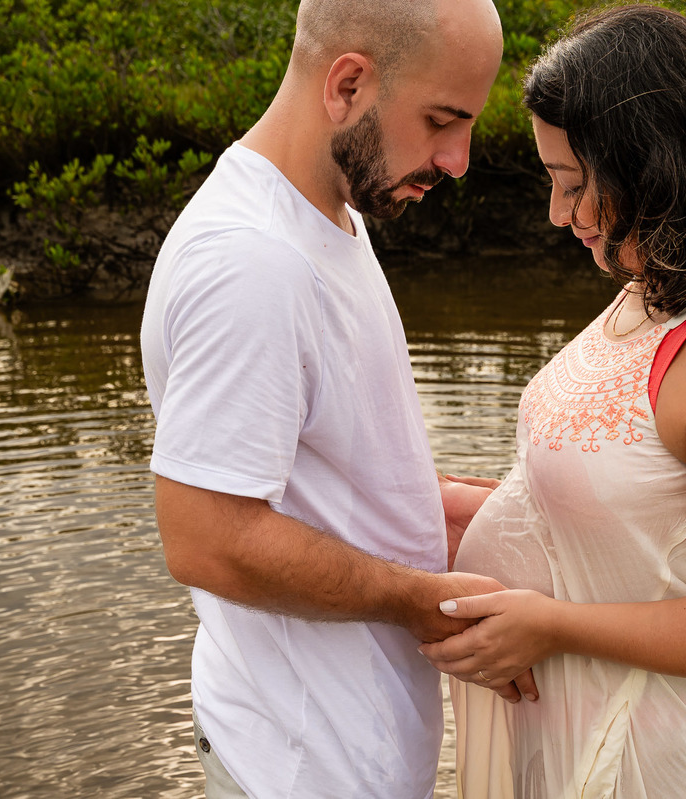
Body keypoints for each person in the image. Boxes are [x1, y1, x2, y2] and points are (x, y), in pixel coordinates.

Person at [418, 5, 686, 797]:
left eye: (573, 183)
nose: (556, 213)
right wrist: (469, 508)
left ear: (655, 168)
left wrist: (549, 625)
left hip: (660, 753)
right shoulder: (658, 281)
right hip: (580, 717)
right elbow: (641, 501)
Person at [138, 1, 506, 796]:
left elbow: (316, 473)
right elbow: (205, 537)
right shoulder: (252, 263)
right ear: (347, 85)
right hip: (299, 768)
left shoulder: (330, 210)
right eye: (443, 120)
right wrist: (419, 601)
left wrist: (455, 509)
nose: (458, 160)